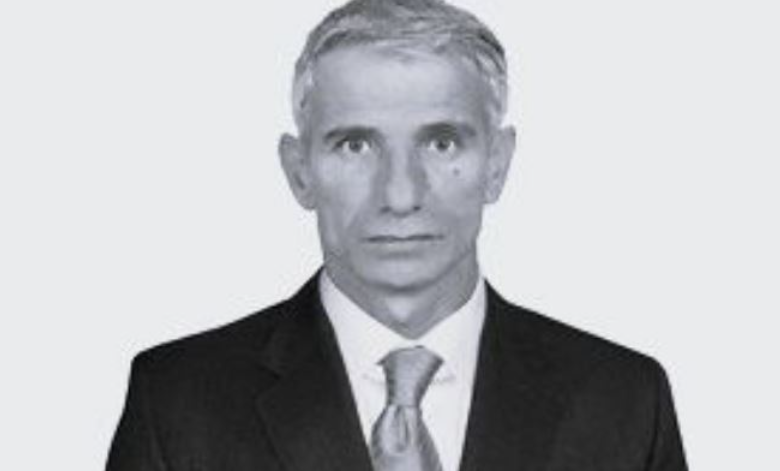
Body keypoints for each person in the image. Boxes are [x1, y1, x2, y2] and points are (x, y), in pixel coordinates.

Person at [106, 0, 688, 470]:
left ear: (498, 164)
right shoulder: (177, 404)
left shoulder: (625, 402)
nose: (401, 194)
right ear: (299, 171)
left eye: (441, 143)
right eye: (355, 145)